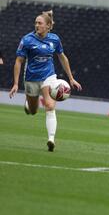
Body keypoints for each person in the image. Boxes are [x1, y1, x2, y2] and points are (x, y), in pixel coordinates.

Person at [8, 10, 82, 152]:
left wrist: (71, 78)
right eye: (36, 23)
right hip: (31, 78)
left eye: (40, 23)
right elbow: (18, 61)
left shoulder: (55, 39)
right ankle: (28, 104)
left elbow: (62, 57)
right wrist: (16, 83)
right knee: (33, 111)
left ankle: (51, 139)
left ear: (48, 26)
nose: (37, 25)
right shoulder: (27, 40)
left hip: (49, 76)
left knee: (49, 105)